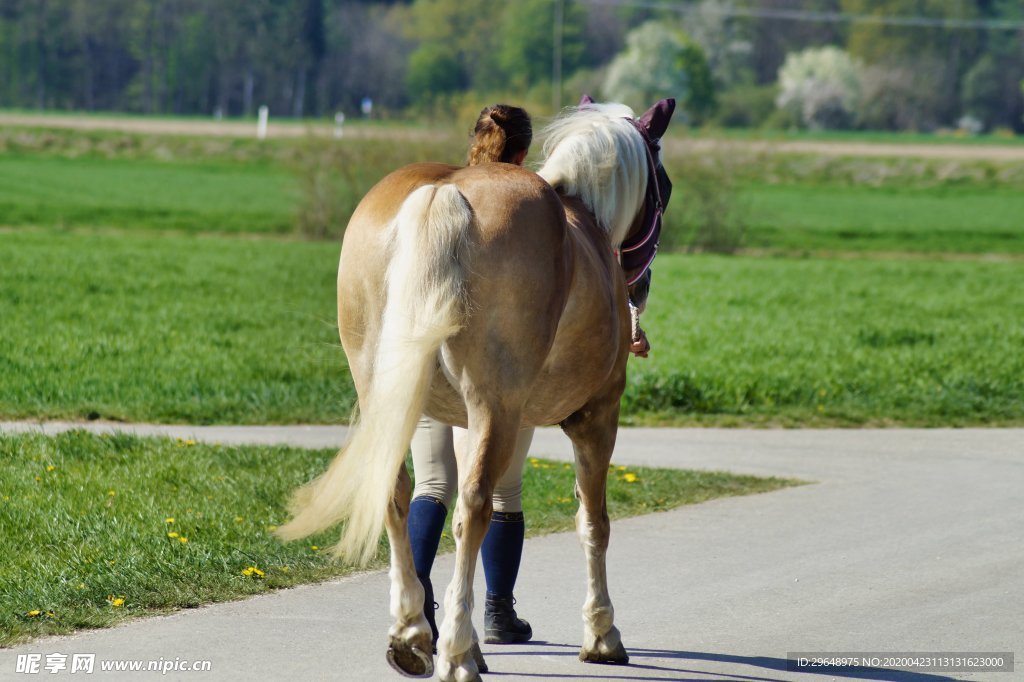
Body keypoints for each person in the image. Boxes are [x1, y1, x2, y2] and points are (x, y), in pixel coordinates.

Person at [408, 104, 535, 649]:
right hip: (493, 364)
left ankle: (419, 609)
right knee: (501, 490)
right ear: (523, 155)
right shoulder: (525, 203)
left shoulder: (439, 195)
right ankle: (497, 612)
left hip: (424, 352)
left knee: (432, 482)